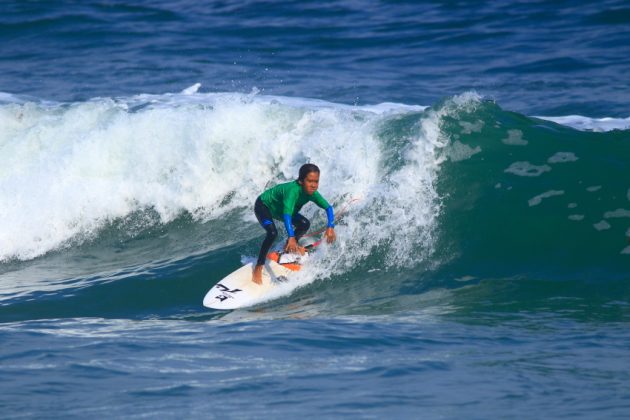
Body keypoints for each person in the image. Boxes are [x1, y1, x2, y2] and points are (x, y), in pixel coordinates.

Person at [252, 163, 336, 284]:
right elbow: (287, 215)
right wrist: (291, 236)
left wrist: (330, 227)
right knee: (272, 233)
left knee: (304, 224)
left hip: (280, 210)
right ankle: (258, 266)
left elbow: (328, 208)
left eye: (316, 181)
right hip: (264, 206)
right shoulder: (293, 191)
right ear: (301, 181)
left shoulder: (312, 193)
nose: (313, 185)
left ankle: (288, 248)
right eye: (310, 181)